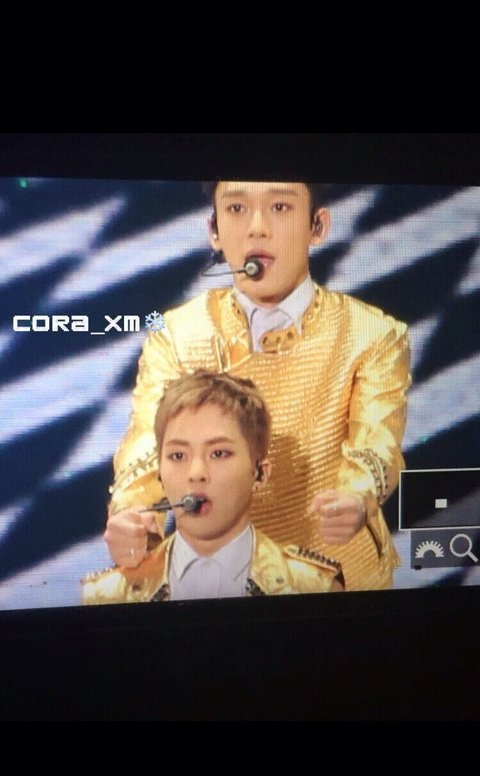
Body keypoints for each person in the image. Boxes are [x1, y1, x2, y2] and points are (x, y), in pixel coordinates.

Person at [104, 181, 411, 591]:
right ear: (214, 231)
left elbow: (378, 442)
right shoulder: (176, 333)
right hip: (214, 585)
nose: (257, 228)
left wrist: (357, 496)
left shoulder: (372, 333)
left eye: (280, 207)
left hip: (343, 584)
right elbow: (147, 439)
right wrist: (131, 513)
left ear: (318, 226)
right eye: (236, 209)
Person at [83, 371, 343, 603]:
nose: (196, 474)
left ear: (260, 473)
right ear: (159, 473)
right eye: (178, 456)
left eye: (219, 453)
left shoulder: (315, 586)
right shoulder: (106, 595)